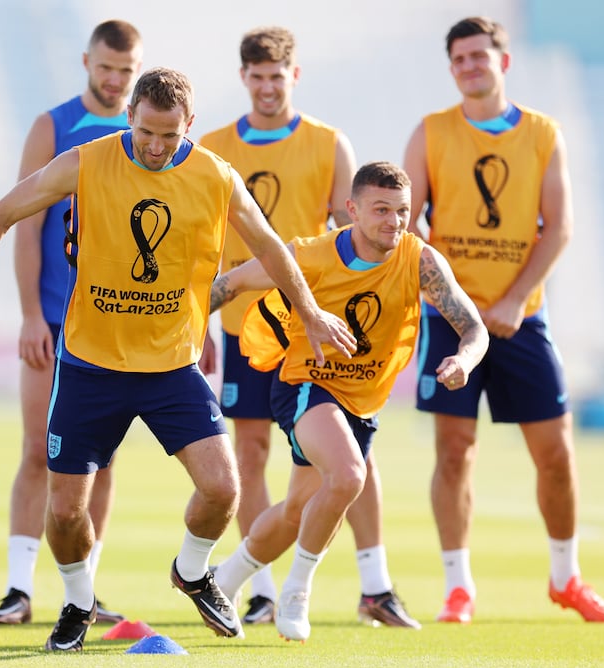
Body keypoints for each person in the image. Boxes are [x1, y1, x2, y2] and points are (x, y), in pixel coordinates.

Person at [0, 67, 357, 652]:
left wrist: (312, 312)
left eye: (170, 135)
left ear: (189, 126)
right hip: (92, 365)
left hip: (171, 366)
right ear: (130, 118)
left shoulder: (215, 176)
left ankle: (193, 570)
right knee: (66, 512)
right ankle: (76, 599)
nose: (156, 146)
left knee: (223, 488)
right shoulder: (88, 161)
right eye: (146, 131)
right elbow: (2, 214)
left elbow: (272, 247)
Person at [401, 16, 604, 624]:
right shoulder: (430, 133)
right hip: (450, 317)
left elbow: (560, 227)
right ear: (452, 68)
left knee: (555, 453)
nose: (471, 66)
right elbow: (407, 226)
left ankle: (566, 578)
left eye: (481, 55)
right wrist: (453, 300)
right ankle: (458, 587)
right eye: (460, 58)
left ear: (504, 62)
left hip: (520, 317)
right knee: (454, 452)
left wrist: (509, 301)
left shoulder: (543, 133)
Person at [207, 162, 489, 641]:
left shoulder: (420, 260)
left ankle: (225, 579)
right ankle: (295, 594)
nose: (394, 222)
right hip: (304, 385)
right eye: (381, 210)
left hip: (363, 402)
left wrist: (464, 360)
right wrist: (182, 334)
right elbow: (227, 285)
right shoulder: (307, 255)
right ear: (352, 210)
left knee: (300, 510)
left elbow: (474, 328)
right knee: (350, 475)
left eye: (402, 211)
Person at [198, 26, 412, 629]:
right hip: (245, 323)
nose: (268, 87)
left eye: (278, 76)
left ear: (295, 77)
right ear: (245, 78)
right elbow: (204, 242)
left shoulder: (328, 144)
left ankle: (374, 583)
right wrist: (205, 324)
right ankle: (262, 590)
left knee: (349, 458)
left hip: (318, 332)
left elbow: (356, 234)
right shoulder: (213, 146)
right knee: (251, 451)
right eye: (257, 77)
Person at [0, 18, 142, 629]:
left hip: (115, 325)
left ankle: (85, 590)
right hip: (53, 318)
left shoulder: (148, 132)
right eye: (106, 67)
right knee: (35, 451)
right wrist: (29, 314)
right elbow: (27, 225)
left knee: (102, 460)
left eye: (126, 71)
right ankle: (18, 590)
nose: (115, 80)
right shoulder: (53, 126)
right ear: (86, 62)